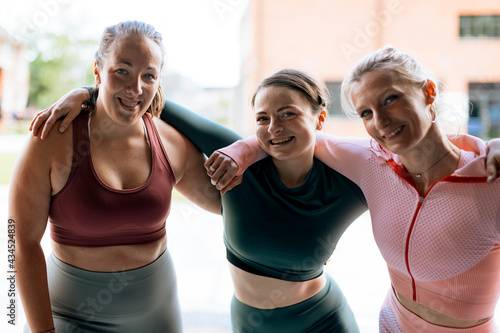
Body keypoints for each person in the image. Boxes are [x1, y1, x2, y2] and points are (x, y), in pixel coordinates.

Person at [33, 69, 369, 332]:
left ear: (319, 119)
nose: (274, 128)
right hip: (251, 324)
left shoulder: (348, 187)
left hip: (323, 320)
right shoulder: (235, 166)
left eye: (288, 114)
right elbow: (151, 101)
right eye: (263, 118)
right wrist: (86, 93)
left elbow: (406, 167)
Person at [211, 47, 500, 332]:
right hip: (391, 324)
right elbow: (292, 134)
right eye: (366, 112)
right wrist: (239, 151)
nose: (380, 121)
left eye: (391, 99)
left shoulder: (491, 181)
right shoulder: (371, 162)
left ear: (429, 93)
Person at [10, 21, 220, 333]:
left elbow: (231, 202)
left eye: (148, 75)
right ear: (97, 70)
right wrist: (43, 331)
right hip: (69, 316)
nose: (135, 88)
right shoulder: (53, 139)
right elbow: (21, 241)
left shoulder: (170, 142)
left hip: (156, 316)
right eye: (121, 70)